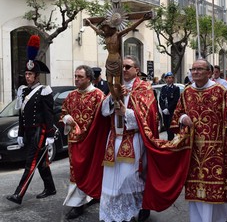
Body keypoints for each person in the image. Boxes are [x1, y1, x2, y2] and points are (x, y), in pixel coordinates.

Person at [170, 58, 227, 222]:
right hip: (193, 152)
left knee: (216, 191)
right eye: (193, 69)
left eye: (200, 69)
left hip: (217, 152)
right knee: (195, 191)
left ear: (209, 72)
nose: (195, 72)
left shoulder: (221, 92)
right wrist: (183, 117)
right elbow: (177, 115)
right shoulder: (187, 92)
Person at [99, 55, 159, 222]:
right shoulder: (115, 86)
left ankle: (133, 212)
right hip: (113, 139)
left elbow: (149, 116)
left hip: (133, 138)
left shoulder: (144, 88)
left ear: (137, 70)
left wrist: (126, 112)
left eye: (127, 67)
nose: (124, 70)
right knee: (111, 177)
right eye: (122, 67)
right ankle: (112, 214)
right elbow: (104, 111)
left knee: (129, 178)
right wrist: (113, 96)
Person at [60, 65, 110, 220]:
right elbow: (63, 112)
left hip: (92, 142)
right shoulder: (71, 96)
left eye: (80, 77)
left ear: (89, 78)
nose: (77, 79)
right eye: (75, 76)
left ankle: (91, 196)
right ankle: (77, 204)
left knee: (91, 171)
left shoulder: (98, 95)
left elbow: (104, 119)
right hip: (74, 141)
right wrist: (66, 119)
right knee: (76, 172)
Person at [6, 56, 56, 205]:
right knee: (41, 162)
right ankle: (51, 188)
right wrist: (21, 133)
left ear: (36, 76)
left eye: (30, 74)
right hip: (28, 132)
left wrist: (50, 134)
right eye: (26, 74)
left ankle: (18, 194)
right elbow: (22, 115)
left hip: (39, 132)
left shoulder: (44, 91)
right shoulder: (23, 91)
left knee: (31, 162)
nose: (27, 77)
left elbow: (49, 115)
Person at [85, 12, 152, 109]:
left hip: (116, 59)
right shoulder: (106, 36)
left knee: (117, 83)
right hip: (109, 60)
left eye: (106, 28)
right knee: (109, 82)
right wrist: (90, 24)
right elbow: (97, 31)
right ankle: (115, 99)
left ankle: (119, 99)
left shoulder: (118, 35)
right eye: (104, 28)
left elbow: (130, 28)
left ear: (111, 28)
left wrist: (142, 19)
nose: (105, 30)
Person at [159, 72, 180, 140]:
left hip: (171, 111)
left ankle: (170, 141)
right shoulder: (163, 88)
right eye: (167, 78)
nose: (168, 79)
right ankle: (169, 139)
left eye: (170, 78)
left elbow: (175, 100)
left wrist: (168, 109)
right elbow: (161, 100)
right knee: (166, 126)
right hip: (164, 111)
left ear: (173, 79)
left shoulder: (176, 88)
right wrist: (163, 108)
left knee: (171, 126)